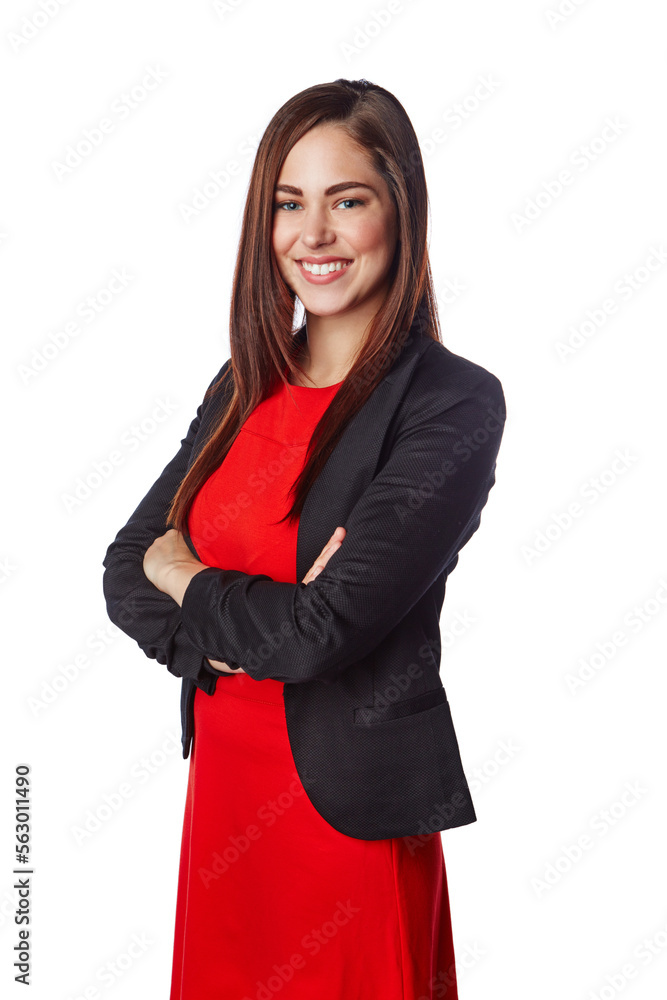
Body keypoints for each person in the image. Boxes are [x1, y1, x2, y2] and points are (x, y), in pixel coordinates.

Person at [102, 78, 506, 999]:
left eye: (347, 200)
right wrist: (240, 629)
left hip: (346, 823)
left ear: (401, 209)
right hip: (226, 812)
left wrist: (192, 576)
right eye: (289, 204)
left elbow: (323, 632)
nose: (312, 235)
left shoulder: (450, 405)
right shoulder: (242, 383)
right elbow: (128, 566)